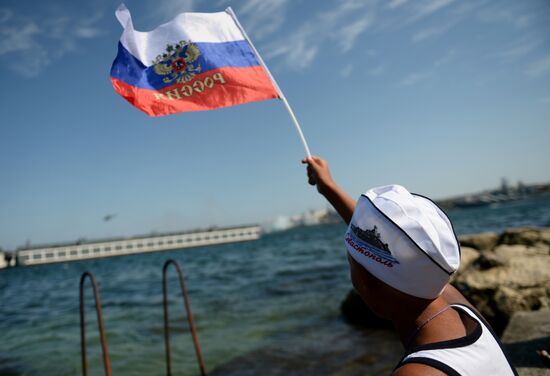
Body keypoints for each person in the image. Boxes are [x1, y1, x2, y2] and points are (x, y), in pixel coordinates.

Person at [302, 156, 518, 376]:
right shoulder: (455, 303)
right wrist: (328, 187)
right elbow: (390, 245)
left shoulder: (417, 373)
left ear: (367, 282)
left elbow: (384, 245)